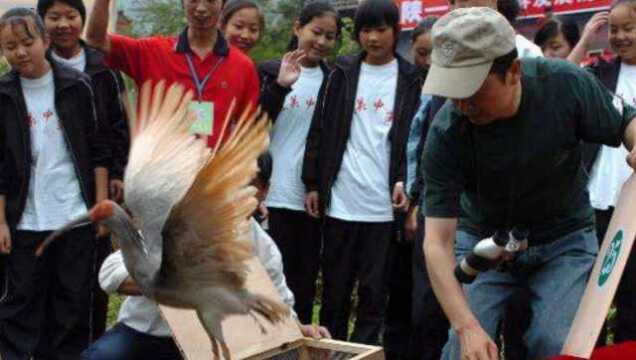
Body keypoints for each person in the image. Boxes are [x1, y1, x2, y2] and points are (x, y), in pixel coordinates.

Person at [420, 7, 636, 360]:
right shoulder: (447, 132)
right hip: (484, 243)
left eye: (471, 90)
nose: (461, 104)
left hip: (564, 239)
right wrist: (467, 327)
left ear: (514, 72)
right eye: (452, 91)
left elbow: (626, 120)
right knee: (464, 351)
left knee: (556, 344)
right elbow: (437, 243)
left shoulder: (565, 84)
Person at [81, 152, 330, 360]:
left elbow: (281, 308)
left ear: (264, 191)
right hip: (148, 334)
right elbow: (109, 273)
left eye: (247, 183)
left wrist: (302, 331)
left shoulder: (264, 249)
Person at [302, 0, 421, 345]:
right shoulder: (342, 71)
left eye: (380, 29)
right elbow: (320, 129)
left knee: (373, 297)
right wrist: (312, 183)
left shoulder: (412, 78)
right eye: (365, 30)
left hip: (384, 209)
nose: (372, 38)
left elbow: (414, 140)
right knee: (335, 293)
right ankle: (330, 351)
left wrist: (407, 184)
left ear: (395, 31)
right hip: (341, 200)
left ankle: (365, 354)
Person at [0, 7, 110, 359]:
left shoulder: (76, 85)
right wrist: (1, 219)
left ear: (45, 41)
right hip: (24, 218)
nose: (19, 52)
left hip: (74, 216)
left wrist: (102, 207)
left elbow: (98, 150)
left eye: (27, 43)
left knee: (72, 304)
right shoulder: (3, 94)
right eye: (9, 46)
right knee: (19, 305)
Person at [36, 0, 130, 340]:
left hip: (97, 180)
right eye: (54, 17)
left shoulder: (102, 66)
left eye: (71, 16)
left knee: (91, 272)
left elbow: (118, 124)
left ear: (82, 19)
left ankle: (89, 342)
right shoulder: (35, 65)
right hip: (46, 185)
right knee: (47, 273)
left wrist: (119, 171)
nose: (63, 24)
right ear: (41, 21)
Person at [259, 1, 341, 325]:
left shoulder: (334, 80)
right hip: (268, 196)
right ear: (297, 28)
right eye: (315, 32)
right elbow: (252, 123)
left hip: (309, 198)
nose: (321, 42)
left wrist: (317, 186)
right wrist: (279, 86)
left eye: (330, 36)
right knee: (267, 282)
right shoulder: (266, 70)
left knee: (303, 285)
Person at [85, 0, 260, 148]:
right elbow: (95, 40)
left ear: (222, 5)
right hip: (156, 175)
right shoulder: (151, 51)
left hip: (212, 178)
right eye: (193, 0)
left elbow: (246, 130)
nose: (201, 8)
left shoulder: (243, 66)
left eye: (210, 0)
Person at [585, 0, 636, 345]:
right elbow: (556, 81)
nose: (619, 36)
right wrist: (586, 38)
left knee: (632, 301)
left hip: (633, 208)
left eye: (628, 28)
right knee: (591, 304)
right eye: (613, 29)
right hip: (596, 204)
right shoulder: (599, 73)